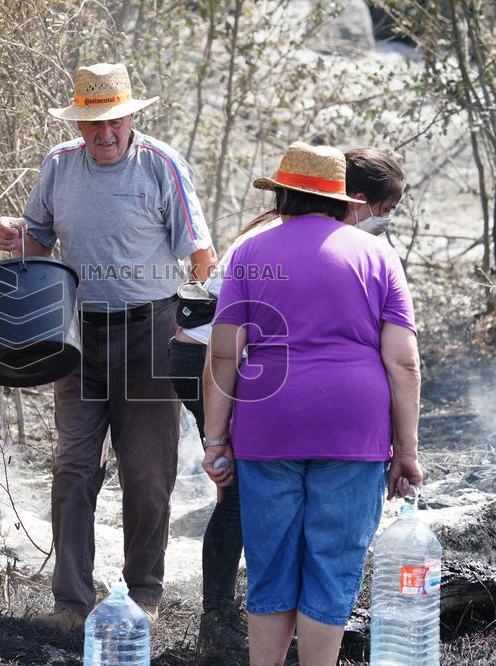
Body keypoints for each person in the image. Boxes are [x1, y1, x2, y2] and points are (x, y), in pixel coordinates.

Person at [0, 62, 216, 632]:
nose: (106, 133)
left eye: (115, 121)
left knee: (146, 470)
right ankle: (70, 603)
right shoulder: (59, 166)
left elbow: (201, 254)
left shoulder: (160, 165)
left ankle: (143, 592)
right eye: (94, 123)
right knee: (73, 466)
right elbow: (38, 238)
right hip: (79, 334)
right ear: (79, 123)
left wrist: (206, 322)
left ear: (132, 116)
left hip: (152, 332)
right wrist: (17, 234)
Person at [167, 145, 407, 652]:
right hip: (353, 428)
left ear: (282, 193)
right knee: (333, 562)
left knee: (271, 563)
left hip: (269, 423)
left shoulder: (252, 252)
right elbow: (403, 362)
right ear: (344, 199)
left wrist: (215, 440)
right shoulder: (377, 255)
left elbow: (224, 356)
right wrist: (407, 449)